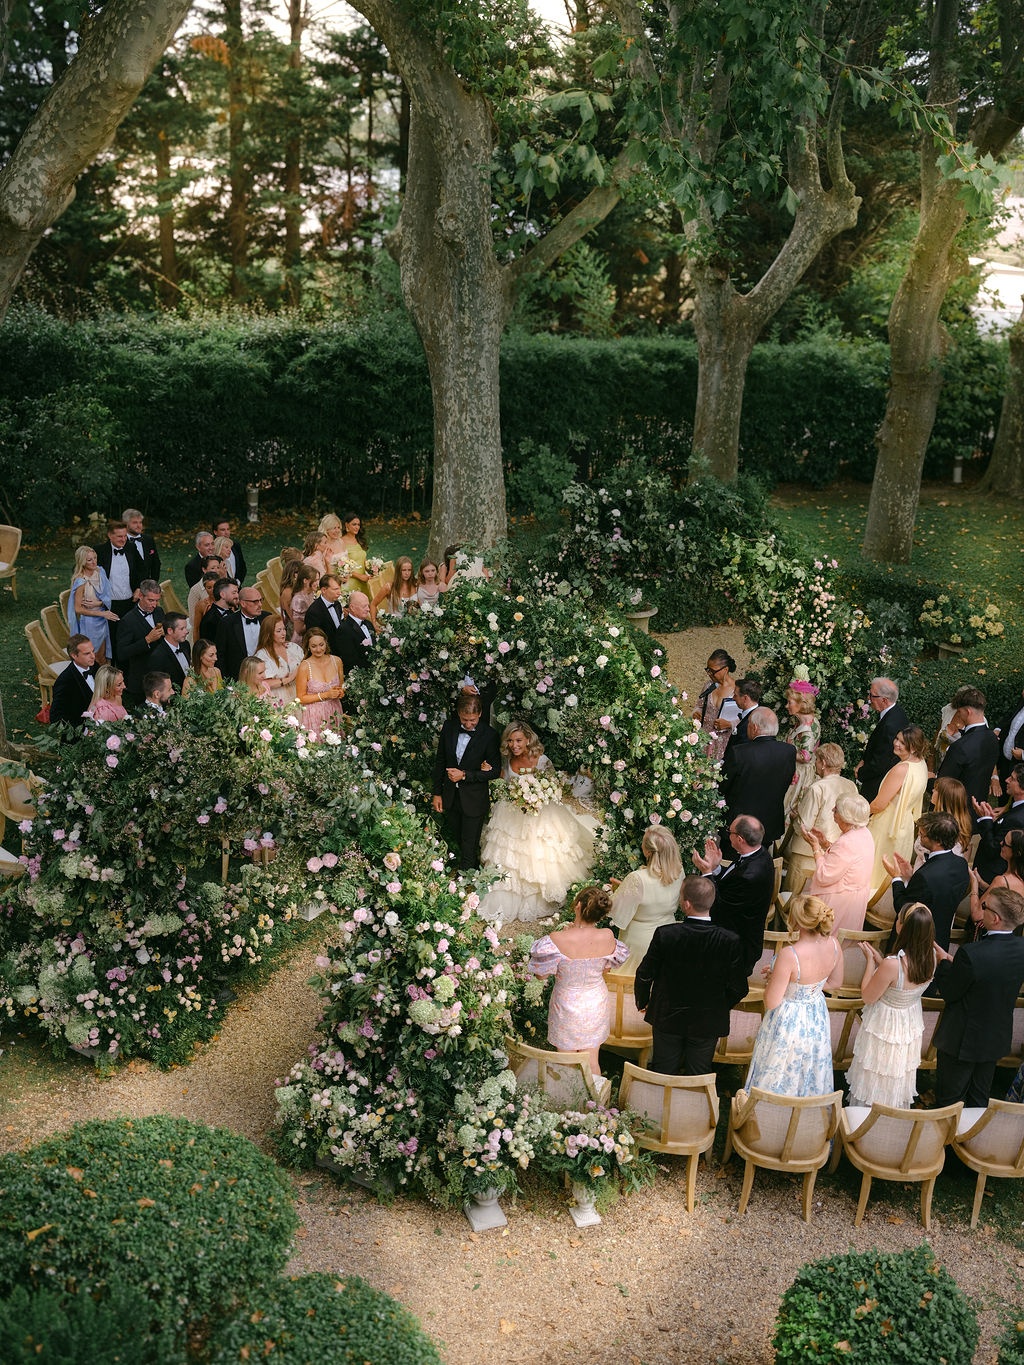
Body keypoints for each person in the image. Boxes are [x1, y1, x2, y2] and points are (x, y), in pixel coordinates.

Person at [477, 721, 594, 922]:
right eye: (511, 741)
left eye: (519, 740)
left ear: (528, 739)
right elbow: (504, 780)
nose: (514, 745)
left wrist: (538, 797)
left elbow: (554, 786)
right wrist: (488, 769)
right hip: (512, 813)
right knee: (508, 855)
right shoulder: (506, 760)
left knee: (542, 853)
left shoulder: (541, 760)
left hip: (540, 813)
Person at [634, 875, 748, 1076]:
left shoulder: (666, 934)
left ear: (686, 904)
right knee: (699, 1073)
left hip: (667, 1014)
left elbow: (645, 974)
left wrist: (643, 1001)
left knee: (664, 1070)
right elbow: (739, 987)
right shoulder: (730, 940)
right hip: (708, 1019)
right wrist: (719, 1005)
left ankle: (662, 1105)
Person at [932, 886, 1024, 1107]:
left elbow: (949, 992)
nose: (981, 910)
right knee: (978, 1100)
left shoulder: (971, 953)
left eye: (985, 906)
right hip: (994, 1037)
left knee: (949, 1101)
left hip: (962, 1039)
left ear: (995, 918)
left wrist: (943, 963)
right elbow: (993, 975)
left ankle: (944, 1140)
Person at [744, 893, 843, 1097]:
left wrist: (775, 978)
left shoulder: (791, 954)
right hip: (816, 1014)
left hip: (789, 1019)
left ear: (799, 921)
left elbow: (772, 1002)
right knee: (809, 1063)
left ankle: (771, 1107)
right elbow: (835, 983)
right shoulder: (834, 944)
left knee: (781, 1066)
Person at [528, 885, 629, 1077]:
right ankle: (595, 1105)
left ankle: (567, 1104)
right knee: (592, 1060)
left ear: (578, 906)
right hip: (595, 1002)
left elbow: (541, 975)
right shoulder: (607, 936)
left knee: (565, 1063)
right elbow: (606, 969)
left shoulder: (556, 939)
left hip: (566, 1002)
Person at [846, 903, 938, 1110]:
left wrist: (871, 961)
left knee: (877, 1068)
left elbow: (868, 996)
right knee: (896, 1069)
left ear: (901, 927)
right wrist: (883, 962)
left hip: (886, 1022)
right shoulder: (931, 957)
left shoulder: (892, 964)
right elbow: (898, 982)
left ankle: (866, 1113)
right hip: (909, 1019)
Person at [694, 814, 775, 973]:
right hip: (738, 934)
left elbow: (719, 906)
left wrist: (706, 872)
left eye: (729, 831)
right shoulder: (760, 853)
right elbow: (732, 881)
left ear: (739, 839)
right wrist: (716, 868)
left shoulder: (749, 875)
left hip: (735, 946)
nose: (727, 834)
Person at [431, 692, 501, 869]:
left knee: (469, 843)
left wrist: (465, 775)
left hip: (474, 799)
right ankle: (467, 870)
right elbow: (440, 761)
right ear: (458, 714)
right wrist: (437, 793)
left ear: (480, 714)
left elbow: (495, 772)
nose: (468, 725)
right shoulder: (449, 727)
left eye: (472, 720)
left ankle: (467, 882)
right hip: (450, 795)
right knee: (458, 837)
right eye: (464, 720)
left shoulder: (489, 735)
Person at [886, 811, 970, 953]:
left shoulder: (926, 876)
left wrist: (896, 877)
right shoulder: (961, 864)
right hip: (941, 939)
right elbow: (935, 895)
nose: (919, 837)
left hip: (916, 944)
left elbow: (903, 908)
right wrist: (911, 876)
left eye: (922, 835)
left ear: (937, 841)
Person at [783, 743, 857, 896]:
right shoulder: (851, 786)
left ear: (823, 763)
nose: (815, 764)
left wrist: (795, 817)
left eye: (816, 760)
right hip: (836, 852)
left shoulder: (817, 788)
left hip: (807, 852)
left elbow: (804, 826)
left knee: (791, 898)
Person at [609, 825, 685, 972]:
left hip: (640, 945)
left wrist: (610, 892)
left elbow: (616, 910)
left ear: (648, 851)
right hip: (668, 938)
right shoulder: (679, 871)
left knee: (632, 990)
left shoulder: (637, 878)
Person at [721, 707, 796, 851]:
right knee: (761, 861)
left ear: (754, 728)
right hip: (769, 822)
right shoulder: (789, 751)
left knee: (731, 865)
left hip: (739, 826)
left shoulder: (739, 753)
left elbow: (724, 785)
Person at [866, 726, 929, 887]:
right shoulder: (922, 764)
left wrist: (861, 813)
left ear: (913, 747)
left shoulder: (902, 768)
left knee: (875, 867)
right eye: (897, 739)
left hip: (887, 824)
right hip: (905, 825)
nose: (896, 743)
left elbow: (879, 804)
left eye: (902, 742)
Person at [803, 792, 874, 932]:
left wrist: (816, 847)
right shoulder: (864, 832)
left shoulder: (847, 842)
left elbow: (824, 876)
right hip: (854, 898)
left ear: (846, 818)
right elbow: (844, 860)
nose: (832, 810)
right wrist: (825, 843)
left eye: (836, 809)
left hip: (839, 901)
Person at [937, 684, 1000, 810]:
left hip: (957, 809)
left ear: (968, 712)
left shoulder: (960, 747)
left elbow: (943, 784)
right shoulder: (993, 738)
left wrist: (928, 778)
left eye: (959, 712)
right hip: (979, 806)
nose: (958, 715)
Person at [94, 520, 147, 658]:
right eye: (119, 536)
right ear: (110, 536)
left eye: (125, 536)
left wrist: (138, 588)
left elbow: (143, 570)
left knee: (130, 637)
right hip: (109, 604)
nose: (123, 539)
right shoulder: (99, 551)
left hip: (130, 602)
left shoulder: (131, 548)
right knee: (112, 639)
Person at [856, 677, 908, 802]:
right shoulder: (897, 713)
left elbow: (880, 762)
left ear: (884, 700)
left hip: (877, 784)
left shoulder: (890, 725)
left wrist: (861, 773)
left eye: (872, 695)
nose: (869, 699)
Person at [972, 763, 1024, 885]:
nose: (1006, 780)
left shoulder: (1017, 819)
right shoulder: (1015, 808)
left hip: (992, 876)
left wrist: (985, 819)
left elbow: (993, 849)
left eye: (1012, 779)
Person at [117, 581, 165, 709]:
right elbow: (121, 653)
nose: (154, 605)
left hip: (160, 675)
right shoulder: (128, 621)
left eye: (156, 600)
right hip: (141, 680)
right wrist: (147, 640)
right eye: (150, 600)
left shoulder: (159, 612)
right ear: (140, 596)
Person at [968, 831, 1024, 939]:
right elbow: (1006, 896)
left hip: (993, 936)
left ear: (1016, 852)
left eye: (1005, 844)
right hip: (1013, 937)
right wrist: (982, 884)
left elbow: (976, 914)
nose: (1000, 843)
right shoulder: (1017, 879)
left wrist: (974, 884)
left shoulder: (1002, 880)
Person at [68, 544, 118, 663]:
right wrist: (102, 614)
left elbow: (107, 596)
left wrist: (100, 604)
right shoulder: (81, 582)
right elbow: (78, 609)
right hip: (90, 623)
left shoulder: (100, 572)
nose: (93, 562)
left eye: (95, 558)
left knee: (104, 655)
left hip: (103, 619)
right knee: (93, 657)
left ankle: (104, 680)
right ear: (82, 562)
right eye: (89, 560)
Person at [781, 678, 821, 815]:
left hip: (799, 773)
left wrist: (785, 751)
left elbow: (806, 757)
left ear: (801, 704)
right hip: (796, 769)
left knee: (787, 806)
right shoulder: (807, 720)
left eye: (789, 702)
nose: (787, 706)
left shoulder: (807, 729)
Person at [294, 628, 345, 735]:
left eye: (321, 645)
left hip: (334, 711)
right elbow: (300, 698)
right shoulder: (304, 667)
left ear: (326, 642)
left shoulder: (337, 661)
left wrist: (340, 692)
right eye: (314, 646)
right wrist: (326, 694)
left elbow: (341, 686)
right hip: (314, 715)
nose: (318, 649)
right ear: (308, 646)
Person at [693, 649, 739, 763]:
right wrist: (696, 713)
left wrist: (730, 724)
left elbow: (744, 717)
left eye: (712, 671)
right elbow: (699, 705)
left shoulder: (737, 690)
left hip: (723, 742)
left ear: (725, 669)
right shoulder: (709, 686)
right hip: (704, 738)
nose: (709, 674)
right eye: (707, 670)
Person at [217, 585, 268, 680]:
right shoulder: (227, 623)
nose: (260, 605)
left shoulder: (267, 618)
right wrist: (226, 681)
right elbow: (221, 655)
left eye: (261, 600)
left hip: (267, 674)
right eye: (255, 602)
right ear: (243, 603)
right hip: (239, 677)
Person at [50, 635, 96, 730]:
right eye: (87, 653)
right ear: (74, 655)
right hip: (83, 731)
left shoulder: (94, 666)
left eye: (93, 651)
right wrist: (83, 731)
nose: (93, 656)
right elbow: (56, 717)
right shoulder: (65, 681)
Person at [256, 614, 303, 702]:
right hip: (277, 699)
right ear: (269, 633)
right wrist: (289, 679)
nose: (283, 633)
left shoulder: (293, 648)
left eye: (284, 629)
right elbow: (261, 683)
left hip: (298, 695)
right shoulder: (262, 655)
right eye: (278, 631)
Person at [303, 575, 347, 656]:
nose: (339, 592)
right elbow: (314, 638)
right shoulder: (314, 612)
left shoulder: (337, 604)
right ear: (324, 590)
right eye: (335, 589)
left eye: (339, 588)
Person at [147, 612, 191, 692]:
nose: (186, 632)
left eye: (185, 628)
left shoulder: (185, 645)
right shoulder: (158, 656)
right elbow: (157, 686)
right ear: (170, 631)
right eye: (182, 629)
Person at [370, 556, 417, 628]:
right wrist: (374, 623)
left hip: (414, 627)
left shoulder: (416, 586)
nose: (407, 573)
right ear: (398, 571)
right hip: (395, 628)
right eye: (404, 570)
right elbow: (373, 604)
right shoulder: (389, 587)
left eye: (409, 570)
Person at [338, 591, 376, 675]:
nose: (368, 609)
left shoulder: (369, 624)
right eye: (364, 606)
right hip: (359, 677)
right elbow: (350, 660)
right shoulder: (344, 629)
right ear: (352, 607)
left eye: (368, 606)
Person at [994, 687, 1024, 789]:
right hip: (1006, 761)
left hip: (1020, 769)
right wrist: (998, 729)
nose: (1022, 692)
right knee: (1004, 791)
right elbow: (1010, 716)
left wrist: (1023, 755)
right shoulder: (1021, 702)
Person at [121, 508, 161, 581]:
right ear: (125, 524)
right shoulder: (120, 541)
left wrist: (153, 582)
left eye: (140, 522)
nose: (139, 525)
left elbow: (156, 563)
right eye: (135, 523)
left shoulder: (148, 540)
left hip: (147, 585)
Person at [724, 678, 762, 755]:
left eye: (735, 695)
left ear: (745, 698)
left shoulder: (752, 721)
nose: (733, 698)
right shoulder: (757, 714)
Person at [286, 563, 319, 645]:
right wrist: (318, 621)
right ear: (305, 581)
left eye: (318, 580)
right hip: (302, 642)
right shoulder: (299, 600)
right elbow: (299, 629)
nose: (318, 583)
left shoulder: (311, 593)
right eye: (315, 580)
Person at [200, 578, 239, 643]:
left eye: (237, 592)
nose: (237, 596)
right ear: (222, 595)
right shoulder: (209, 620)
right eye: (234, 593)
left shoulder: (232, 613)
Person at [213, 519, 246, 583]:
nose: (226, 532)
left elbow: (242, 567)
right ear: (215, 532)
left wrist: (238, 582)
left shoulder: (235, 545)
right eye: (223, 530)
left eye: (228, 529)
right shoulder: (212, 549)